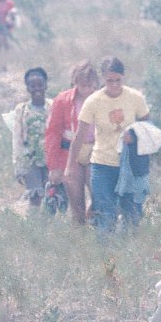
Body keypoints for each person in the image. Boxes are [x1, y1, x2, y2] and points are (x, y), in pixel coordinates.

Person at [66, 57, 149, 234]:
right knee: (106, 214)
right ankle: (105, 257)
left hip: (129, 166)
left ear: (123, 77)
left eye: (117, 80)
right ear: (103, 79)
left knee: (132, 215)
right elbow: (79, 136)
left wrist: (134, 136)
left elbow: (148, 128)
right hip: (102, 164)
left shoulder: (135, 98)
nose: (114, 85)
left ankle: (130, 255)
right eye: (109, 80)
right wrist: (70, 166)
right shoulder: (93, 101)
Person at [47, 60, 100, 225]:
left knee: (99, 195)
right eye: (83, 84)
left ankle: (99, 231)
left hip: (96, 151)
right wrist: (54, 166)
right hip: (70, 152)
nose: (87, 89)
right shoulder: (63, 100)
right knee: (76, 201)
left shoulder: (102, 99)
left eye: (90, 85)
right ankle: (80, 240)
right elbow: (53, 133)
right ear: (75, 82)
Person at [9, 67, 52, 208]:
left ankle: (49, 226)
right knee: (35, 197)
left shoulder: (54, 106)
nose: (37, 88)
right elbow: (17, 138)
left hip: (51, 159)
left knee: (51, 195)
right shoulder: (21, 110)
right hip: (30, 161)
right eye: (33, 85)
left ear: (46, 85)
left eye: (40, 84)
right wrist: (18, 165)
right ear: (27, 88)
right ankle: (35, 225)